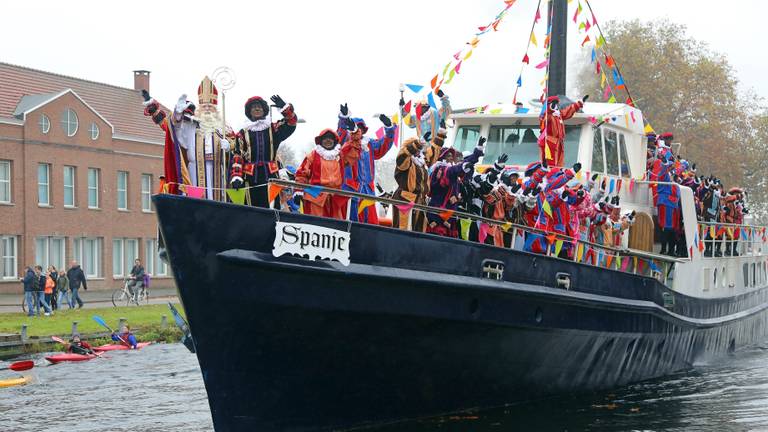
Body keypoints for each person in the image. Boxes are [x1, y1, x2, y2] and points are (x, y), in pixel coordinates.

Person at [141, 78, 232, 200]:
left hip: (217, 170)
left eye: (210, 107)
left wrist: (229, 146)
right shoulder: (191, 125)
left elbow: (236, 146)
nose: (207, 109)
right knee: (197, 200)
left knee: (217, 198)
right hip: (195, 169)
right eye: (204, 106)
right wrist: (177, 114)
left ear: (215, 108)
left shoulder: (224, 128)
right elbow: (173, 128)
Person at [232, 95, 298, 208]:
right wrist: (236, 175)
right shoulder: (242, 133)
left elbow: (291, 123)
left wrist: (284, 109)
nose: (257, 109)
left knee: (273, 210)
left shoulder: (273, 129)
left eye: (259, 107)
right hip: (250, 179)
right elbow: (238, 156)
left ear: (264, 110)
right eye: (253, 107)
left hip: (271, 177)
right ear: (249, 111)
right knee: (251, 211)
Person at [337, 104, 397, 224]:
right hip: (350, 188)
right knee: (350, 221)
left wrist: (389, 127)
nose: (359, 130)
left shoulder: (369, 144)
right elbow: (340, 132)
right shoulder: (345, 142)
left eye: (361, 128)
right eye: (356, 127)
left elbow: (384, 145)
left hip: (367, 190)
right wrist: (344, 118)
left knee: (369, 223)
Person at [392, 130, 447, 231]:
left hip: (420, 201)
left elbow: (433, 153)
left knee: (418, 231)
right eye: (417, 148)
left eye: (420, 148)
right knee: (403, 229)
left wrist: (440, 136)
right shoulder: (405, 161)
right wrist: (418, 143)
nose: (419, 150)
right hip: (405, 199)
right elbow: (403, 155)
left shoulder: (421, 162)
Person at [294, 129, 355, 219]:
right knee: (315, 223)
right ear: (321, 140)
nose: (328, 140)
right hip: (315, 194)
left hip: (335, 196)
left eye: (330, 138)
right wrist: (298, 190)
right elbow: (301, 174)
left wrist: (354, 131)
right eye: (325, 138)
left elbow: (354, 148)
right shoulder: (313, 155)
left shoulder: (340, 155)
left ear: (334, 141)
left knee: (337, 226)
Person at [539, 95, 587, 167]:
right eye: (554, 104)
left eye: (557, 104)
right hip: (550, 141)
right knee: (551, 162)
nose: (556, 106)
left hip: (559, 142)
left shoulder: (558, 115)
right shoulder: (547, 116)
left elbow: (568, 111)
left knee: (559, 163)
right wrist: (547, 109)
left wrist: (579, 103)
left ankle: (558, 172)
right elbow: (543, 120)